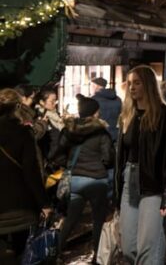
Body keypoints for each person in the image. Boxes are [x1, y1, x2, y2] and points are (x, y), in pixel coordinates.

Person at [116, 66, 166, 264]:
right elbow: (121, 155)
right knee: (128, 246)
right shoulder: (127, 113)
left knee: (148, 247)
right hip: (129, 180)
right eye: (130, 83)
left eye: (137, 83)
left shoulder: (164, 114)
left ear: (148, 85)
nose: (132, 88)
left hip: (154, 185)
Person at [54, 95, 114, 260]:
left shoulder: (69, 130)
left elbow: (57, 153)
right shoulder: (101, 132)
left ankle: (55, 252)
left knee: (70, 219)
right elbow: (109, 158)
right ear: (95, 113)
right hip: (97, 181)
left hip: (76, 180)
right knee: (98, 220)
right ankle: (97, 256)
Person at [0, 89, 51, 260]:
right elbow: (31, 172)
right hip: (20, 206)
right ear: (17, 107)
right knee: (23, 254)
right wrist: (44, 203)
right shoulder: (22, 133)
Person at [91, 77, 122, 144]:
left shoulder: (93, 100)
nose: (91, 88)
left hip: (99, 136)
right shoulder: (118, 99)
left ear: (97, 86)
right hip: (115, 136)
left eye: (92, 85)